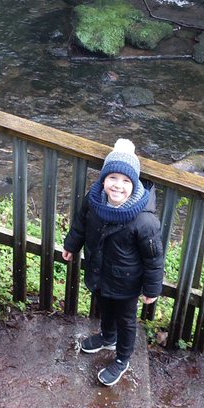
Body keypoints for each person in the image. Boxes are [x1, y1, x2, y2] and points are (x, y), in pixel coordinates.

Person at [62, 138, 164, 386]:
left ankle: (122, 358)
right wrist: (71, 245)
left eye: (126, 181)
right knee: (104, 307)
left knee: (126, 320)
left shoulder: (144, 221)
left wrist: (152, 289)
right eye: (113, 178)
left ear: (135, 184)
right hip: (99, 271)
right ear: (104, 179)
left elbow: (153, 258)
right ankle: (108, 337)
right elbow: (81, 224)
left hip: (127, 282)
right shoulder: (94, 200)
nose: (118, 185)